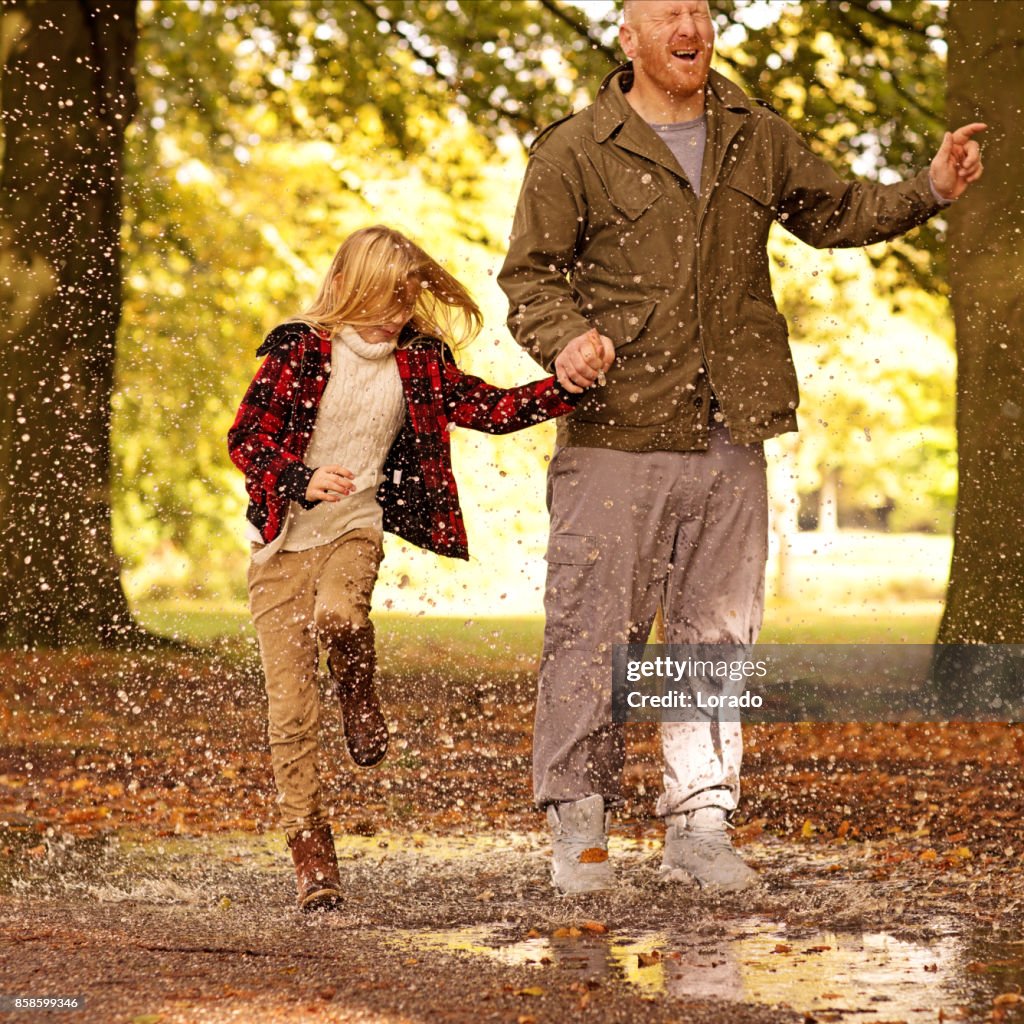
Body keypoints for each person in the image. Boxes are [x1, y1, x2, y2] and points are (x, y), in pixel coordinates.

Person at [498, 0, 984, 894]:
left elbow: (840, 210)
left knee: (712, 638)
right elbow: (529, 276)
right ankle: (581, 830)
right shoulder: (573, 149)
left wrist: (932, 189)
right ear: (630, 36)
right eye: (669, 12)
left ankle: (700, 829)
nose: (692, 24)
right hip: (617, 433)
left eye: (702, 9)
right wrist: (565, 340)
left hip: (732, 427)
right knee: (591, 635)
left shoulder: (754, 133)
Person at [228, 225, 577, 911]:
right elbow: (246, 439)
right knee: (291, 713)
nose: (398, 312)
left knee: (340, 615)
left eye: (408, 296)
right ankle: (312, 854)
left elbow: (488, 407)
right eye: (386, 297)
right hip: (280, 550)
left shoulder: (418, 359)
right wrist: (298, 477)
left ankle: (357, 690)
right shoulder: (299, 348)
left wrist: (559, 388)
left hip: (354, 529)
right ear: (351, 287)